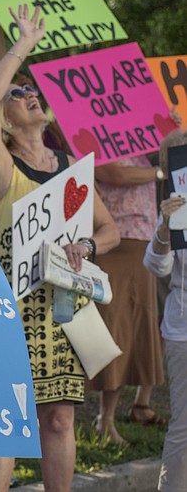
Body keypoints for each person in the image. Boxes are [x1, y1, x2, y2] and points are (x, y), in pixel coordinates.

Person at [0, 4, 120, 492]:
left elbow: (109, 230)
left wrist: (86, 244)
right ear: (10, 126)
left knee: (58, 420)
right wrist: (23, 46)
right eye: (20, 93)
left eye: (31, 90)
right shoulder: (0, 169)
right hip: (5, 306)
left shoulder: (70, 167)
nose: (28, 95)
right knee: (6, 420)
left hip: (60, 306)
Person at [89, 154, 169, 445]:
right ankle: (62, 421)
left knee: (126, 334)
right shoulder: (95, 137)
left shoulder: (143, 144)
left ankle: (106, 420)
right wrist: (159, 173)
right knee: (105, 331)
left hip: (142, 243)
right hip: (111, 241)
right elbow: (114, 175)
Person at [143, 132, 187, 490]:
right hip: (183, 328)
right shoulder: (177, 211)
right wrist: (164, 226)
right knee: (185, 426)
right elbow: (156, 266)